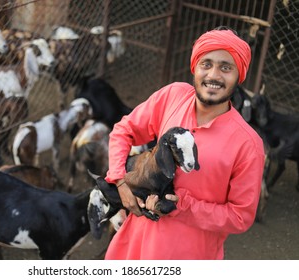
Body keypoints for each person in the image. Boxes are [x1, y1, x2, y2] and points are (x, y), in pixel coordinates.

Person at [104, 27, 265, 260]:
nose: (214, 75)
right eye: (206, 64)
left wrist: (183, 206)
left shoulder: (248, 144)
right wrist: (119, 181)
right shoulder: (173, 96)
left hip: (189, 255)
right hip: (135, 244)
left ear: (239, 74)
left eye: (226, 67)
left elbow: (240, 217)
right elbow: (123, 130)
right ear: (195, 67)